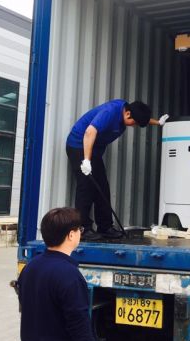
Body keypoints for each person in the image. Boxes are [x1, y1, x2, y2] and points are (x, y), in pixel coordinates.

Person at [66, 99, 168, 241]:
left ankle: (105, 227)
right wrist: (87, 161)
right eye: (134, 123)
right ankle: (82, 229)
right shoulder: (110, 112)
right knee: (86, 186)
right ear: (127, 114)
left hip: (93, 150)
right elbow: (90, 132)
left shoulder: (130, 111)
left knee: (102, 187)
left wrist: (157, 122)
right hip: (79, 145)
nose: (134, 126)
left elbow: (139, 116)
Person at [17, 207, 97, 341]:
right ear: (71, 235)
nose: (80, 233)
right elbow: (79, 324)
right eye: (79, 229)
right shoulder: (70, 275)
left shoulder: (30, 267)